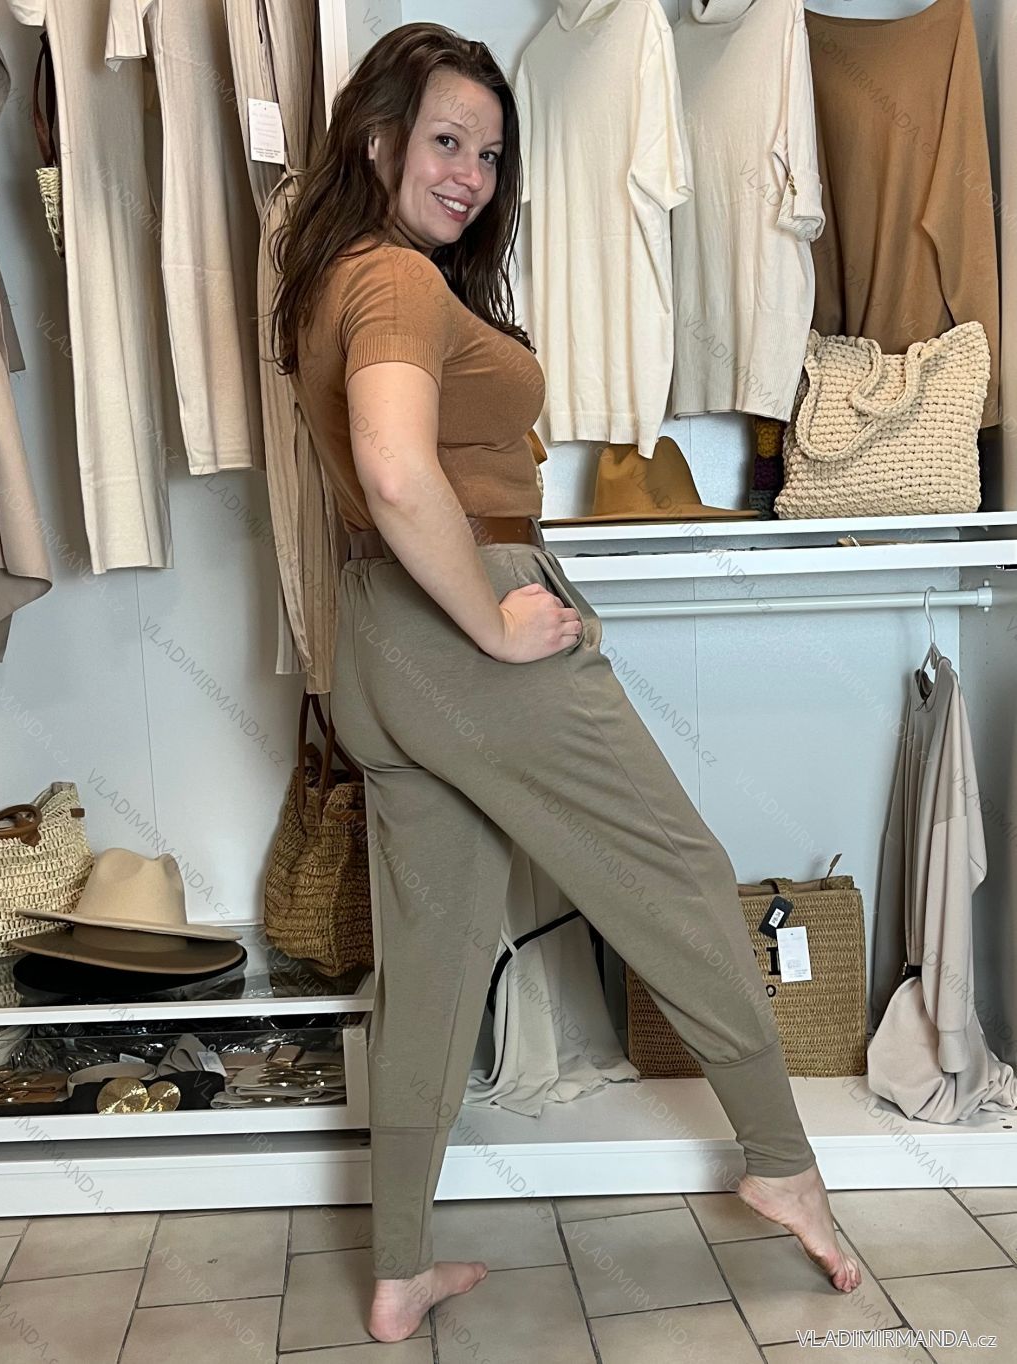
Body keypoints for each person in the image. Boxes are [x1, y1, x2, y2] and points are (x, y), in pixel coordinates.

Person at [271, 21, 861, 1347]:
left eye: (489, 154)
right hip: (454, 629)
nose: (471, 175)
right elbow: (397, 472)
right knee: (680, 874)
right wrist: (492, 624)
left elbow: (382, 480)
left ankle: (398, 1273)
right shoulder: (395, 281)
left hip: (378, 644)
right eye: (445, 141)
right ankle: (780, 1159)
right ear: (378, 139)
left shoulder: (340, 277)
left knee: (431, 964)